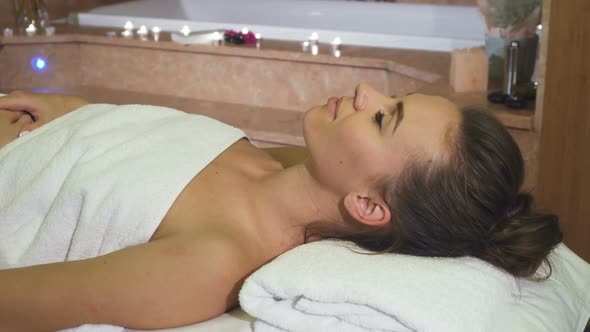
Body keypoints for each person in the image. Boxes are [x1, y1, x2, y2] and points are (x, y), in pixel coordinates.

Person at [0, 83, 562, 331]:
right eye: (393, 101)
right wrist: (79, 109)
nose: (366, 91)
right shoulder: (290, 162)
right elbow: (147, 143)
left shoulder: (209, 262)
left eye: (382, 117)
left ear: (366, 204)